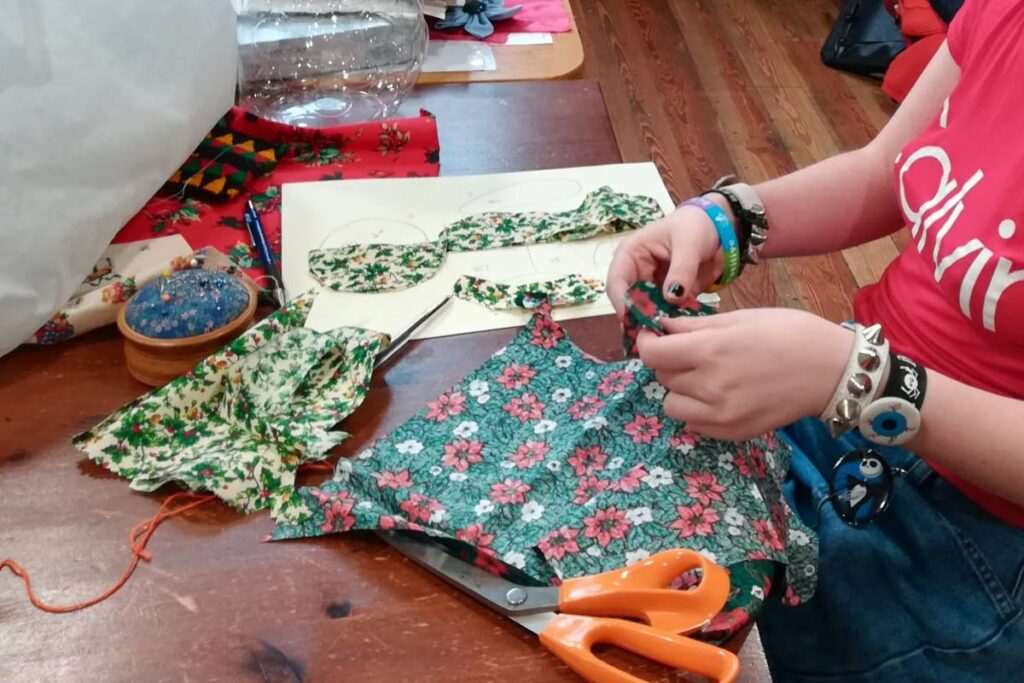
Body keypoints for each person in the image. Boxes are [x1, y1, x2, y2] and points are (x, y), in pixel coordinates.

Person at [606, 0, 1024, 680]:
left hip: (977, 542)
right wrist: (729, 221)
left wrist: (857, 379)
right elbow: (888, 169)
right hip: (863, 407)